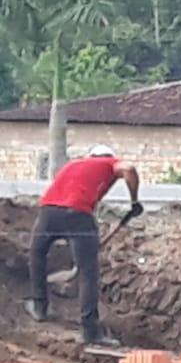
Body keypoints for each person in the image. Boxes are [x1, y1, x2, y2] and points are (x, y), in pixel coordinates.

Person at [26, 145, 141, 347]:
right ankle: (90, 332)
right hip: (78, 214)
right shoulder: (109, 163)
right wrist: (134, 200)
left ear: (90, 155)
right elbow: (129, 169)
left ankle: (39, 307)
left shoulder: (74, 163)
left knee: (36, 254)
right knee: (88, 272)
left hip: (48, 211)